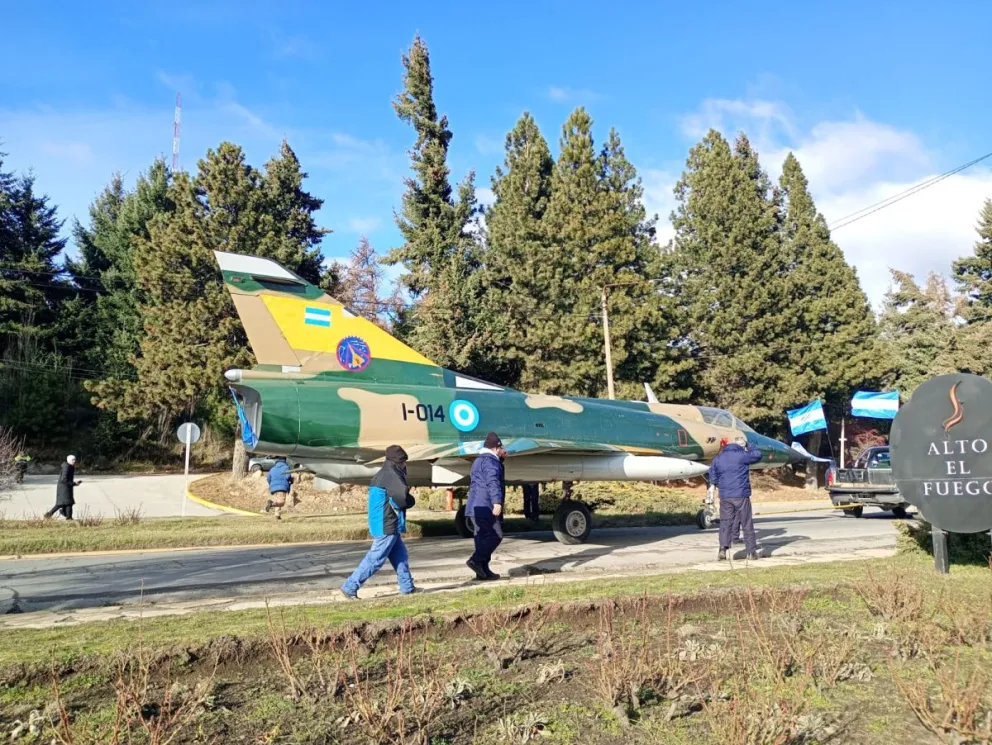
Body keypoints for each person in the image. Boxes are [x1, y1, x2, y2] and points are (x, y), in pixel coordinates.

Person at [340, 445, 417, 599]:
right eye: (404, 461)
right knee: (375, 559)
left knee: (400, 556)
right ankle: (350, 587)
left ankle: (407, 587)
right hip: (386, 523)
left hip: (383, 522)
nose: (405, 465)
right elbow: (401, 499)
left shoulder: (383, 473)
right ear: (399, 462)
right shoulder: (392, 475)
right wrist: (411, 500)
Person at [709, 436, 763, 561]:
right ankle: (751, 551)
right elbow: (757, 454)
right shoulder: (742, 456)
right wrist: (749, 445)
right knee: (746, 522)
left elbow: (712, 474)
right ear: (740, 446)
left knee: (725, 522)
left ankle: (722, 549)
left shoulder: (718, 458)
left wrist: (718, 485)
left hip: (725, 496)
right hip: (741, 495)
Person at [466, 432, 506, 581]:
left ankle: (482, 571)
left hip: (474, 507)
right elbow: (492, 481)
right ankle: (475, 561)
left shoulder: (478, 461)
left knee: (481, 539)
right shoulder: (491, 462)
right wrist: (497, 502)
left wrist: (500, 460)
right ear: (497, 447)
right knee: (496, 535)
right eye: (502, 448)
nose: (503, 450)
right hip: (486, 505)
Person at [45, 455, 81, 520]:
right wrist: (73, 483)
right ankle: (49, 514)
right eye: (73, 460)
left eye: (75, 459)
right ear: (69, 460)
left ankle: (68, 517)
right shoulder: (66, 467)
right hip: (64, 489)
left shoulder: (70, 467)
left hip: (66, 488)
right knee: (62, 503)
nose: (74, 461)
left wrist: (74, 483)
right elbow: (64, 479)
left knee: (68, 503)